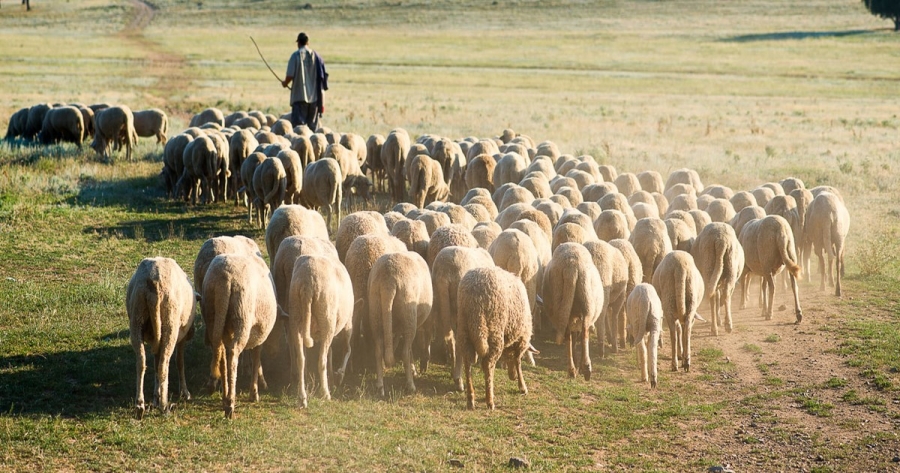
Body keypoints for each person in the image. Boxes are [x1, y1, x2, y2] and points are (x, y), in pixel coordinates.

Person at [282, 32, 328, 131]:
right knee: (312, 130)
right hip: (315, 99)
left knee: (299, 131)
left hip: (299, 98)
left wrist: (285, 83)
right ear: (308, 43)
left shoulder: (296, 56)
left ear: (298, 43)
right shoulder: (317, 57)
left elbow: (290, 75)